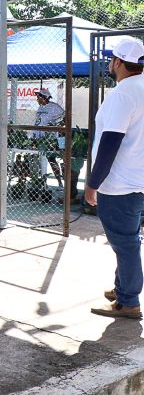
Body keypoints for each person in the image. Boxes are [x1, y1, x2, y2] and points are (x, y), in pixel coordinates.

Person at [85, 38, 144, 319]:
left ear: (118, 62)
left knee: (125, 243)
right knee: (128, 240)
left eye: (111, 59)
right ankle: (123, 288)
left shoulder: (124, 93)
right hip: (138, 182)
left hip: (120, 185)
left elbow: (111, 141)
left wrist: (93, 183)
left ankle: (128, 301)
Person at [32, 88, 66, 190]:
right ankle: (44, 183)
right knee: (45, 159)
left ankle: (62, 183)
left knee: (56, 159)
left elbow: (65, 118)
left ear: (44, 97)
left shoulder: (54, 107)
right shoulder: (40, 108)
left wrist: (55, 125)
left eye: (38, 97)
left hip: (52, 138)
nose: (37, 99)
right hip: (40, 138)